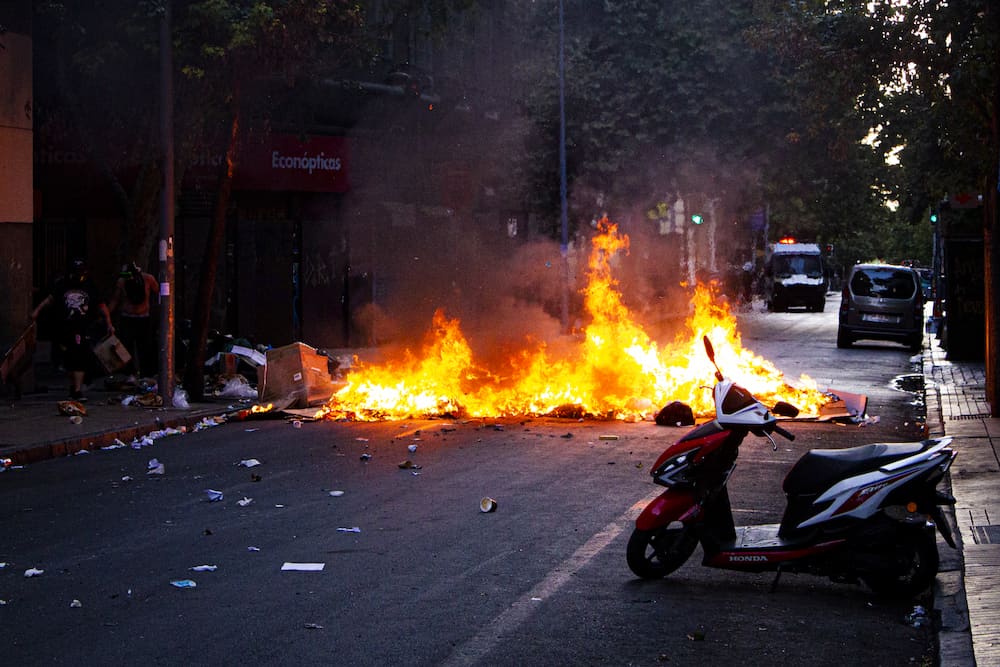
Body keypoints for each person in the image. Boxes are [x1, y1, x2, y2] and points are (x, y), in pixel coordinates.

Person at [31, 257, 114, 400]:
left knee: (79, 357)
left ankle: (77, 390)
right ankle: (75, 386)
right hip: (64, 327)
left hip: (81, 328)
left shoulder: (89, 286)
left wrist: (109, 323)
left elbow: (101, 305)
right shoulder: (63, 284)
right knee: (69, 359)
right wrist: (37, 311)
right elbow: (50, 299)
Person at [108, 261, 159, 380]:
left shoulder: (148, 279)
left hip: (143, 317)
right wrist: (107, 315)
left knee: (145, 347)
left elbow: (159, 292)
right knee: (126, 347)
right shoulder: (121, 282)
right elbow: (115, 299)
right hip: (127, 318)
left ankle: (146, 373)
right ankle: (129, 373)